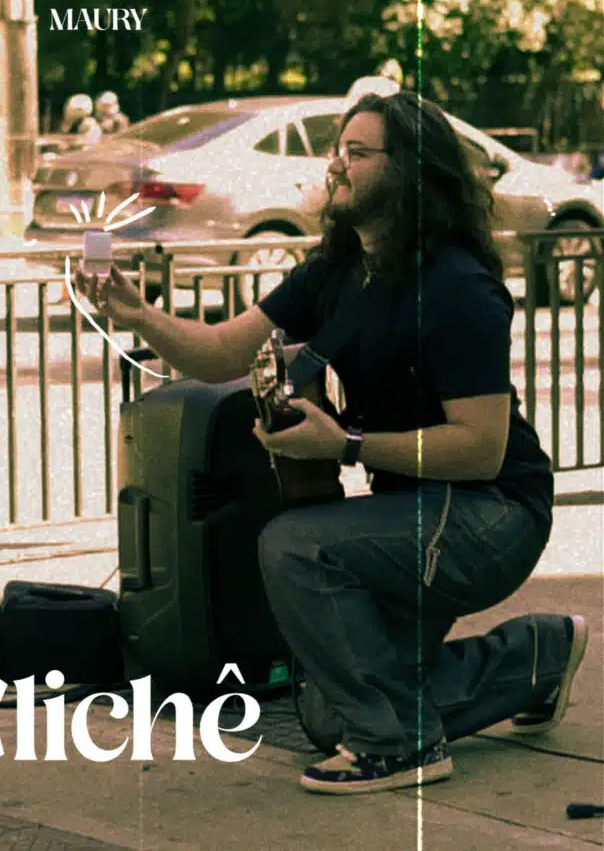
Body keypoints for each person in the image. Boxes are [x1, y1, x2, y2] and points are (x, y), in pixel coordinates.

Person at [75, 90, 588, 795]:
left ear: (408, 169)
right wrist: (139, 315)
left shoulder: (458, 287)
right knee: (329, 713)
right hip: (414, 510)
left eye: (357, 152)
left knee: (296, 546)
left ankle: (402, 746)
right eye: (337, 150)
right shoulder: (339, 270)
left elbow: (480, 449)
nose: (336, 165)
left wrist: (345, 445)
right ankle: (537, 655)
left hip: (493, 513)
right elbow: (221, 353)